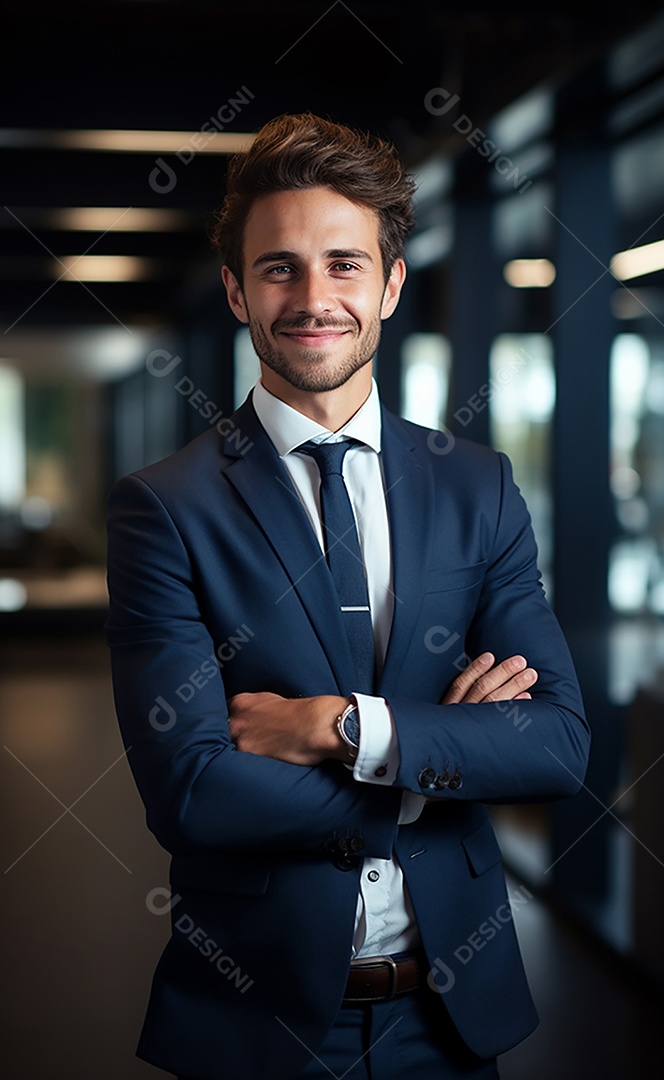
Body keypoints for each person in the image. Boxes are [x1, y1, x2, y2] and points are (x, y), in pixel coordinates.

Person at [105, 112, 590, 1080]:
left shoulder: (476, 485)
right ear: (239, 291)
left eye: (343, 264)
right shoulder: (165, 507)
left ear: (391, 283)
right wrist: (429, 768)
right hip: (259, 1023)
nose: (313, 297)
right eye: (280, 268)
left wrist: (343, 727)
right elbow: (193, 793)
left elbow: (556, 742)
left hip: (450, 1023)